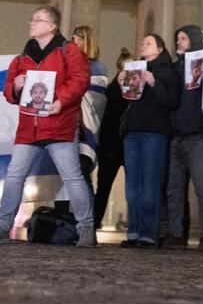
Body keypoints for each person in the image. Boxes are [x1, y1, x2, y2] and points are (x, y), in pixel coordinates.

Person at [0, 6, 95, 247]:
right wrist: (16, 86)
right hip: (28, 128)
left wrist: (60, 100)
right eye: (32, 19)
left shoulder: (70, 51)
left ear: (52, 26)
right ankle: (2, 226)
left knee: (73, 177)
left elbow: (80, 80)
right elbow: (8, 92)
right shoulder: (22, 57)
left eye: (38, 20)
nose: (32, 23)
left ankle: (86, 229)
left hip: (59, 126)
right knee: (14, 176)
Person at [117, 33, 180, 247]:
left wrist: (154, 83)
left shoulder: (166, 71)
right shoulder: (135, 67)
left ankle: (147, 234)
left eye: (149, 43)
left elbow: (172, 100)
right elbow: (128, 101)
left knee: (150, 185)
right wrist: (122, 84)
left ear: (160, 49)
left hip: (154, 132)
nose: (143, 45)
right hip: (133, 132)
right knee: (132, 185)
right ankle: (133, 232)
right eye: (142, 42)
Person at [166, 24, 203, 251]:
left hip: (197, 137)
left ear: (193, 39)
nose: (179, 42)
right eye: (177, 38)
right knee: (174, 189)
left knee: (202, 187)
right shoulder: (174, 68)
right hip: (175, 137)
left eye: (183, 38)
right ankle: (176, 234)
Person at [93, 47, 130, 225]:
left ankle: (136, 227)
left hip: (129, 145)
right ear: (120, 69)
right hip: (110, 146)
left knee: (132, 189)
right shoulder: (109, 91)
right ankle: (94, 222)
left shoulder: (138, 92)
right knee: (103, 189)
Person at [71, 25, 108, 191]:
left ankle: (85, 217)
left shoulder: (97, 68)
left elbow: (97, 101)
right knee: (66, 176)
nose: (73, 42)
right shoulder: (69, 65)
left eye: (77, 39)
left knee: (83, 174)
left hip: (87, 129)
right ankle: (62, 216)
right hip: (69, 126)